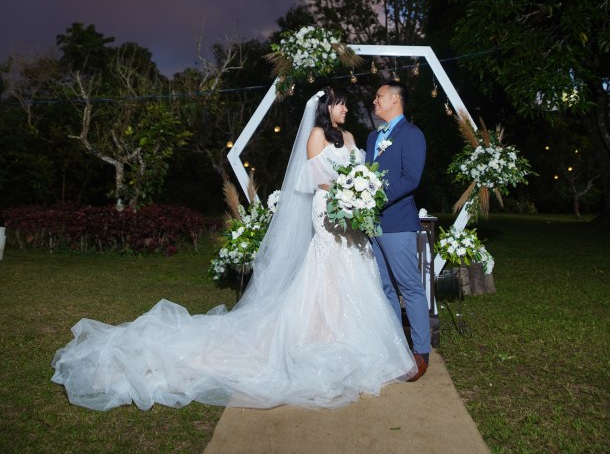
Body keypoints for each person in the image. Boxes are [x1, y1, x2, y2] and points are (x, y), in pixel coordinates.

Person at [51, 88, 416, 411]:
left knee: (355, 270)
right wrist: (347, 191)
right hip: (328, 208)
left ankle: (350, 336)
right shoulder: (317, 135)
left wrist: (361, 191)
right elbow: (315, 178)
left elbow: (361, 170)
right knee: (328, 269)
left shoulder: (352, 136)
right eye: (341, 105)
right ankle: (317, 332)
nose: (346, 110)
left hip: (352, 214)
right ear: (327, 108)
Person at [366, 82, 431, 381]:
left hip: (397, 223)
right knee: (384, 289)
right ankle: (395, 350)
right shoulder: (372, 137)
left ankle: (420, 353)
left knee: (410, 288)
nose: (374, 101)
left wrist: (374, 196)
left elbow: (411, 178)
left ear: (395, 99)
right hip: (372, 225)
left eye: (379, 96)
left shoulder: (412, 134)